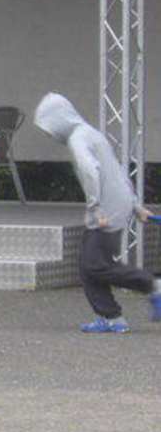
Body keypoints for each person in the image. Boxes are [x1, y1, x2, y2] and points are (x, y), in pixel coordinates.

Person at [33, 92, 161, 334]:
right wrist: (135, 206)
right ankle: (112, 318)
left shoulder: (78, 139)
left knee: (95, 266)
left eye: (48, 127)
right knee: (88, 266)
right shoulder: (92, 134)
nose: (48, 134)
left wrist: (95, 208)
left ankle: (152, 286)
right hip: (118, 204)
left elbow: (91, 171)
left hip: (106, 210)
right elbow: (118, 172)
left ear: (58, 119)